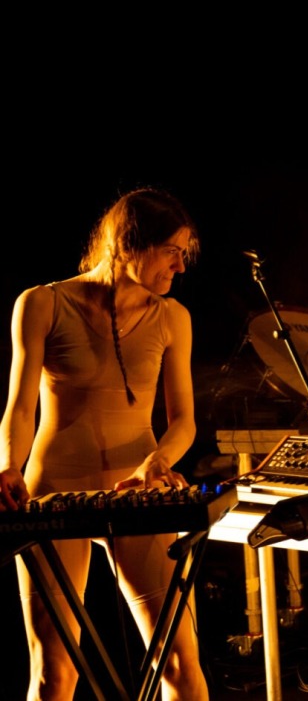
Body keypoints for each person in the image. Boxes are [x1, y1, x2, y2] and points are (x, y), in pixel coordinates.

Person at [0, 188, 209, 701]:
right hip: (55, 487)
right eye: (171, 251)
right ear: (128, 243)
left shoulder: (174, 317)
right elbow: (20, 409)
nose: (180, 266)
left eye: (184, 253)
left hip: (138, 488)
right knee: (54, 672)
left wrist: (158, 461)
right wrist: (8, 467)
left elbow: (184, 421)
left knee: (179, 663)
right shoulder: (42, 303)